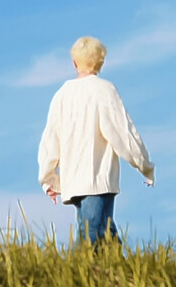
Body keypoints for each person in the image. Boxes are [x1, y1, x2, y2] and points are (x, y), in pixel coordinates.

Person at [37, 36, 155, 247]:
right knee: (95, 235)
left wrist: (48, 178)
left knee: (95, 233)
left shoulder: (62, 95)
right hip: (98, 177)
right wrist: (145, 166)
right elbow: (124, 133)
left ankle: (118, 274)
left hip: (75, 179)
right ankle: (113, 274)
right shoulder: (104, 90)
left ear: (75, 63)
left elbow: (50, 139)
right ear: (101, 62)